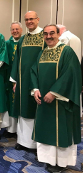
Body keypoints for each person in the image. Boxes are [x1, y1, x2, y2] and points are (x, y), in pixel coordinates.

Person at [31, 24, 82, 173]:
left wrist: (54, 92)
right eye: (45, 34)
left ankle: (61, 162)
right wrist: (35, 90)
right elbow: (33, 71)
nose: (48, 36)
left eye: (52, 33)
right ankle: (48, 159)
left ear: (59, 34)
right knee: (46, 129)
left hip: (60, 102)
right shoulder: (42, 53)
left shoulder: (67, 51)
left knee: (60, 130)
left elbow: (71, 74)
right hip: (43, 101)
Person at [10, 11, 46, 152]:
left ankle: (37, 143)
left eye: (32, 19)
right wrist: (15, 81)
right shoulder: (23, 39)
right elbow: (17, 60)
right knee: (23, 109)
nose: (29, 21)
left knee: (37, 111)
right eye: (27, 19)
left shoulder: (45, 36)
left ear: (38, 19)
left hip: (39, 81)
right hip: (23, 81)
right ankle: (23, 141)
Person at [4, 21, 23, 138]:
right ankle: (11, 128)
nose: (15, 31)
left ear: (21, 30)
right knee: (10, 102)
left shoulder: (25, 42)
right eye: (13, 30)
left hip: (22, 77)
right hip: (9, 76)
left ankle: (21, 130)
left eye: (17, 29)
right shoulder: (6, 44)